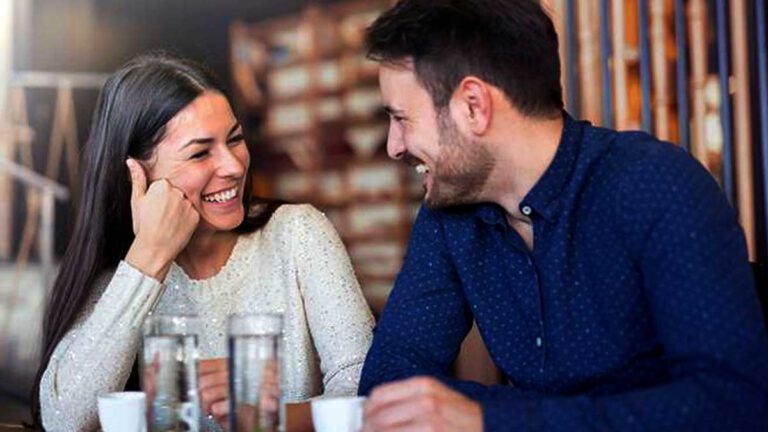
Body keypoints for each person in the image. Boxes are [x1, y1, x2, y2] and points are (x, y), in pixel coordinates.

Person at [357, 1, 768, 431]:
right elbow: (389, 383)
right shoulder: (450, 213)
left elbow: (731, 403)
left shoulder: (654, 185)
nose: (394, 147)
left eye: (401, 118)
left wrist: (489, 417)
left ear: (474, 106)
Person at [32, 52, 374, 431]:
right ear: (136, 177)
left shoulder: (298, 234)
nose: (233, 166)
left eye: (235, 139)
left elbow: (365, 390)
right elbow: (62, 421)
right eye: (200, 153)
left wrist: (267, 418)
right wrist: (149, 257)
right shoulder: (115, 276)